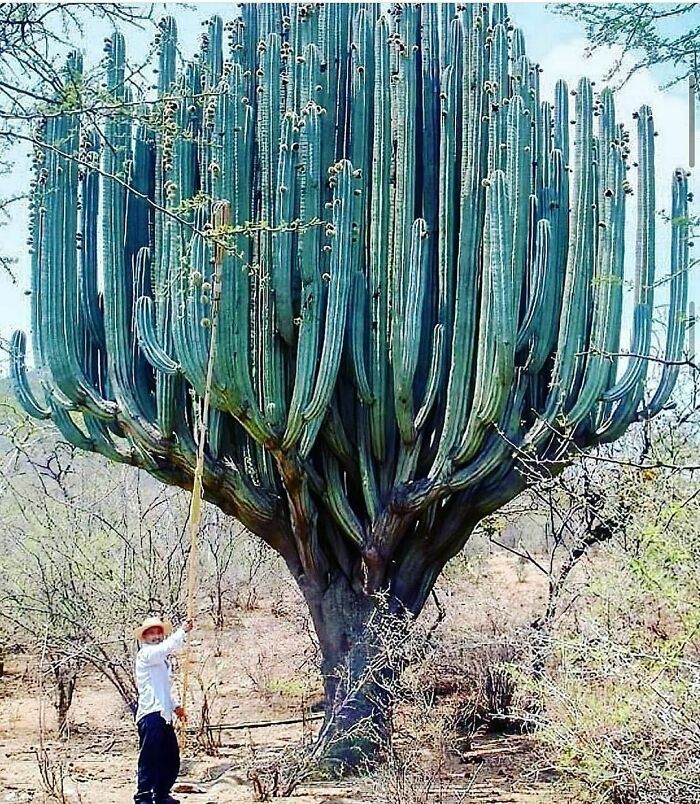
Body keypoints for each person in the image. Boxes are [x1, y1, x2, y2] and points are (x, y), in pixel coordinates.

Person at [132, 616, 193, 804]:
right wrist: (182, 631)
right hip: (151, 714)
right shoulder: (146, 655)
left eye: (158, 632)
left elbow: (162, 689)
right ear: (144, 637)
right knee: (150, 756)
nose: (156, 636)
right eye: (152, 633)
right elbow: (166, 647)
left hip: (163, 715)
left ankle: (160, 794)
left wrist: (175, 707)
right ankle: (143, 796)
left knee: (170, 757)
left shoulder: (161, 660)